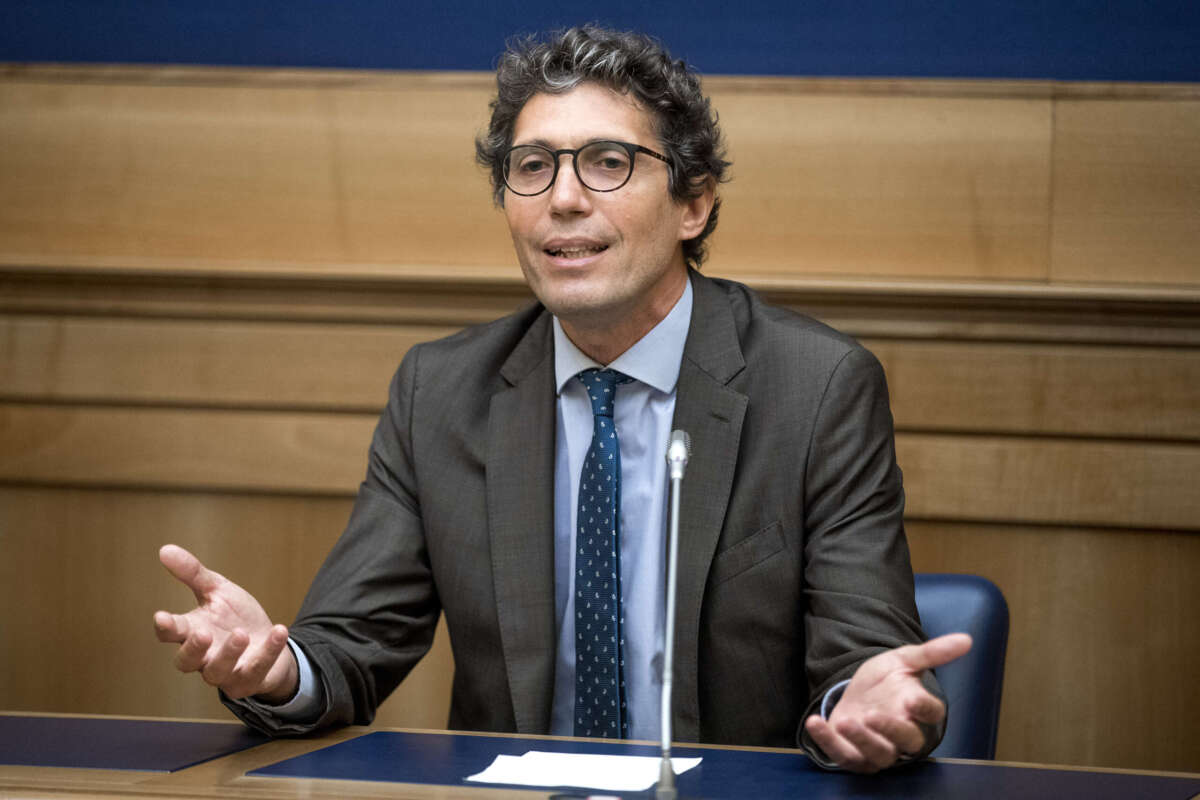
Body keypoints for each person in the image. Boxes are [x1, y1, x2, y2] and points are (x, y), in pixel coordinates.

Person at [153, 25, 971, 774]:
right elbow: (349, 647)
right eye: (532, 166)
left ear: (694, 203)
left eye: (608, 163)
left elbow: (865, 657)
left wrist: (862, 704)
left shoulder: (817, 387)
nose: (564, 199)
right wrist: (276, 668)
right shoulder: (442, 391)